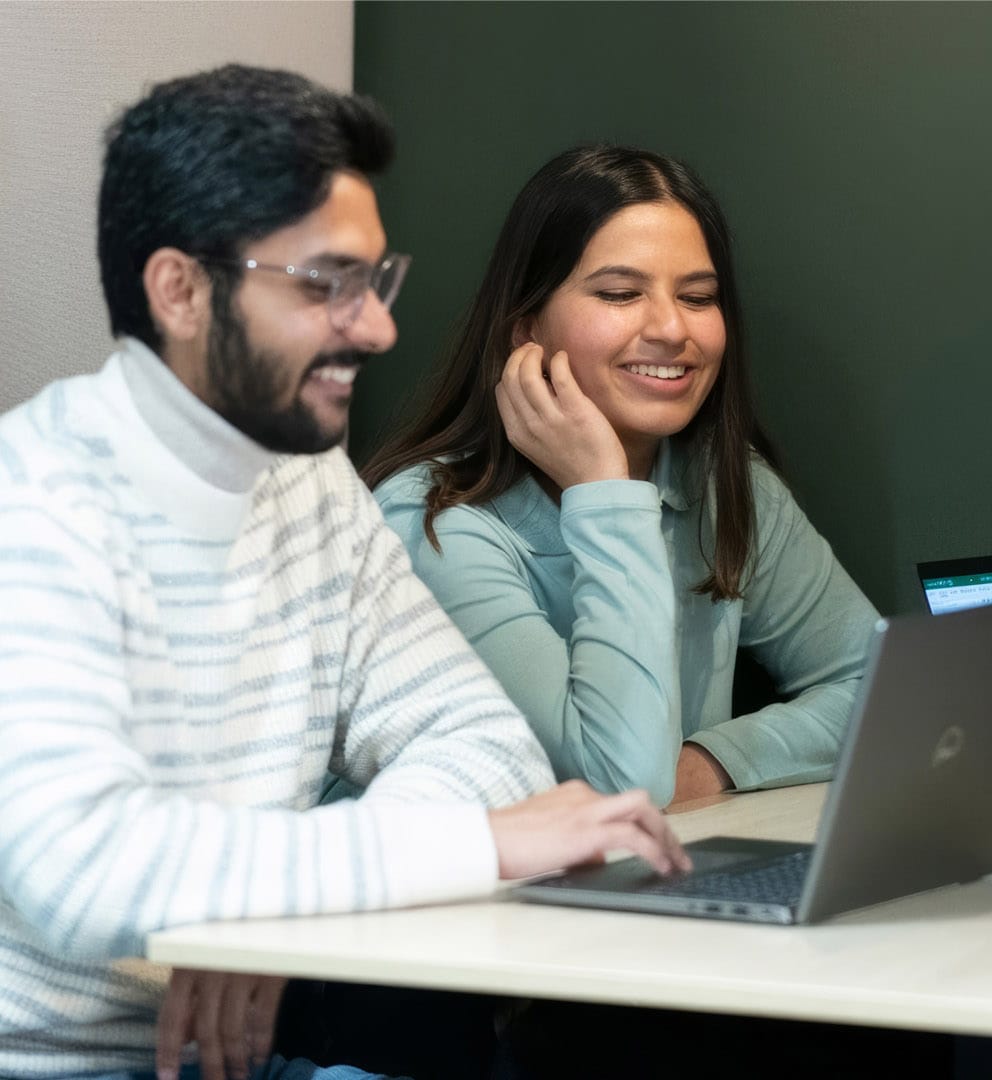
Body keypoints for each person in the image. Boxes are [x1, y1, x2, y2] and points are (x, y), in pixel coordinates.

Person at [0, 66, 687, 1080]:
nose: (376, 328)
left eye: (375, 281)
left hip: (244, 1057)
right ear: (180, 290)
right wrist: (472, 847)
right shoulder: (33, 505)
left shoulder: (309, 487)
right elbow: (88, 872)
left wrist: (265, 909)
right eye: (326, 285)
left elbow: (485, 744)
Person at [360, 146, 878, 806]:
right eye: (619, 294)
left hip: (645, 889)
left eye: (698, 297)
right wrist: (607, 495)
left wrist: (712, 759)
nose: (670, 328)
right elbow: (620, 780)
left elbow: (880, 686)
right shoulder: (430, 522)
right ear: (525, 329)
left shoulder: (726, 487)